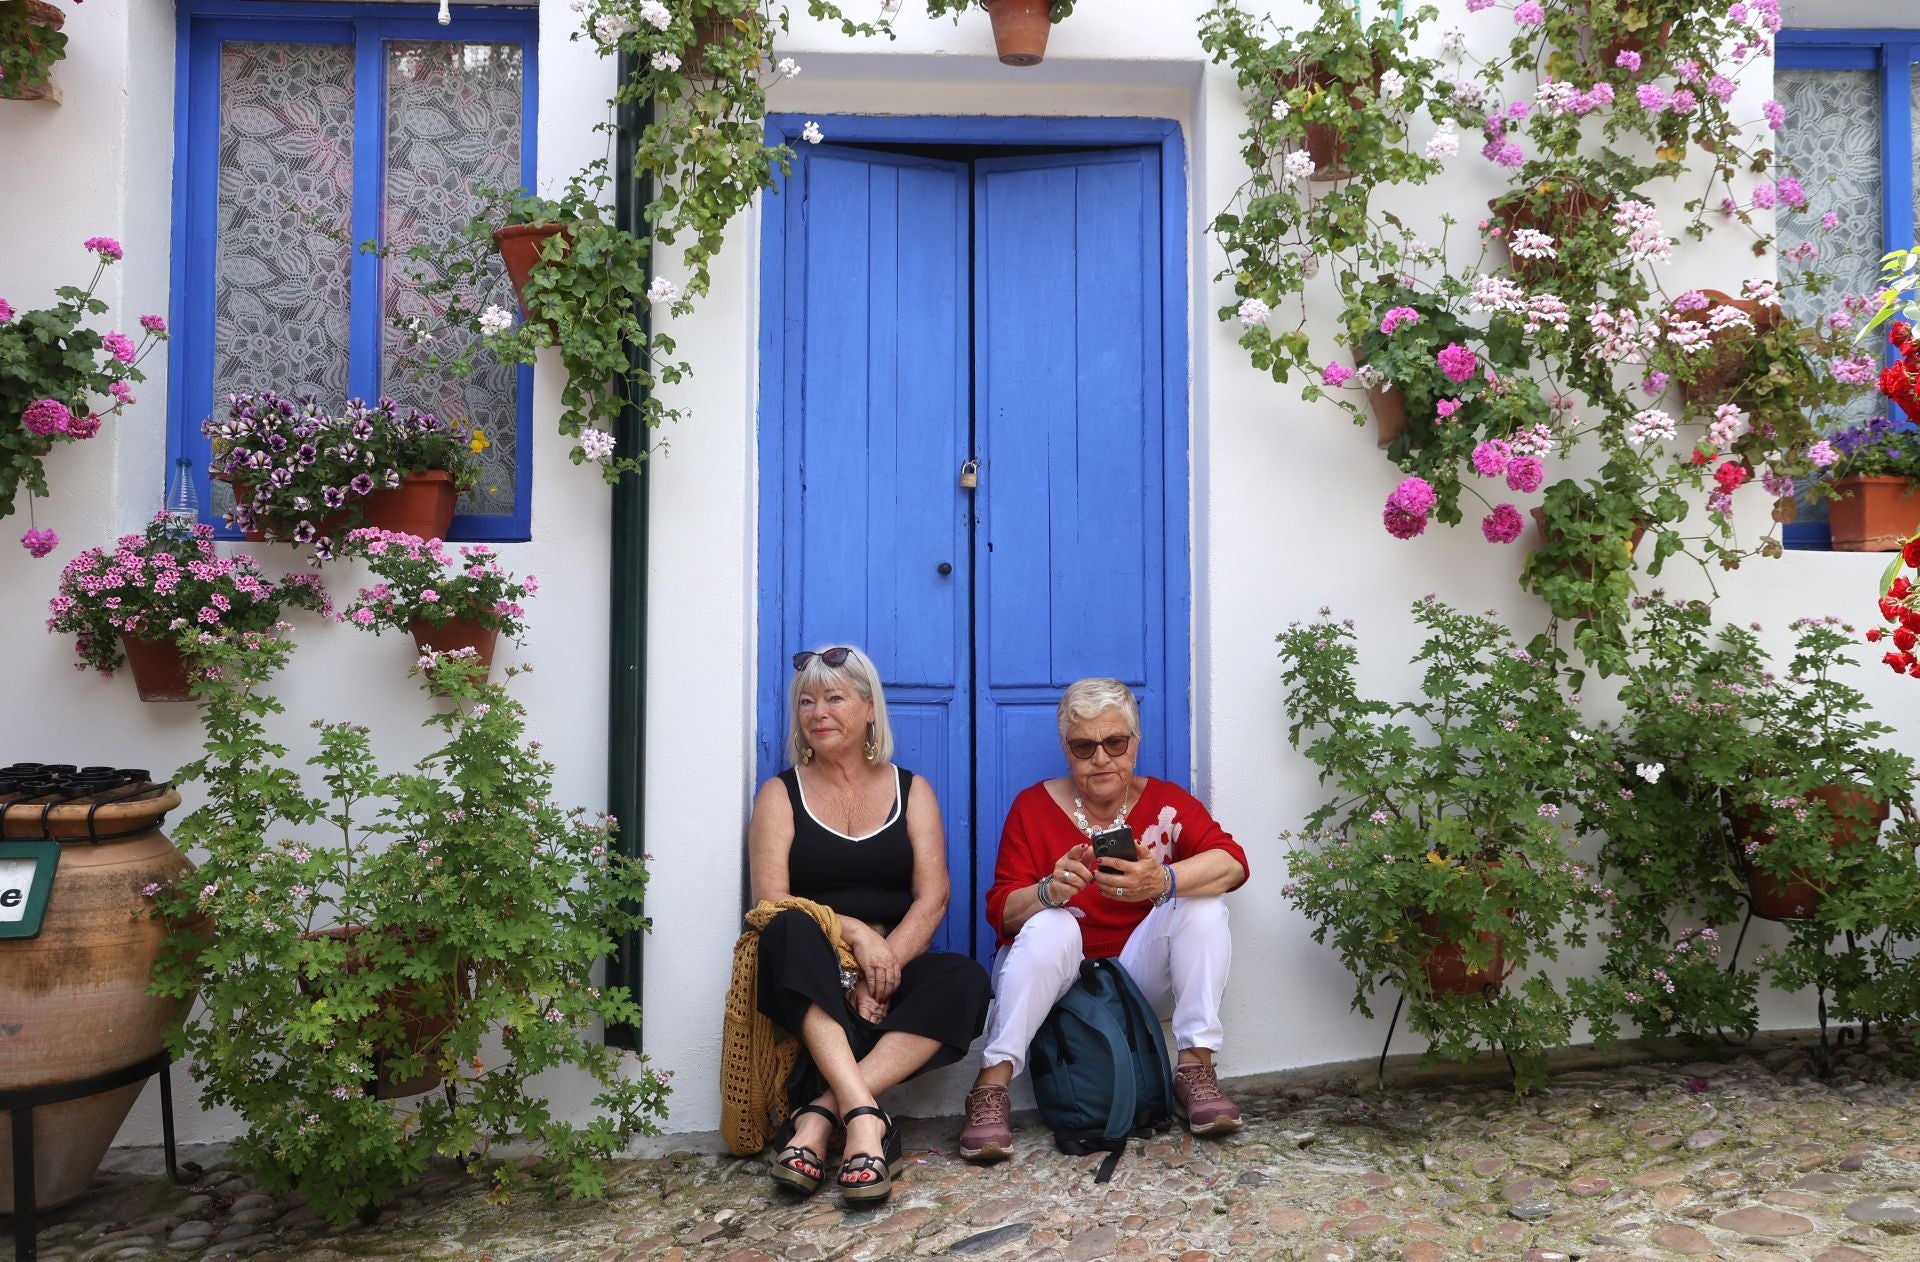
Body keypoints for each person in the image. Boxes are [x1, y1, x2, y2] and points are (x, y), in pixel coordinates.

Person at [958, 677, 1250, 1161]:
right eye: (1084, 745)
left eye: (1115, 742)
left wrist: (1162, 881)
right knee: (1055, 923)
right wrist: (1048, 892)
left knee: (1202, 902)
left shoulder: (1166, 802)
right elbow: (1002, 914)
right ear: (1066, 749)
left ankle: (1195, 1067)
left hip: (1133, 980)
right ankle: (992, 1086)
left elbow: (1233, 862)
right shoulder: (1033, 807)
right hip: (1059, 980)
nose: (1101, 758)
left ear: (1135, 743)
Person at [747, 645, 991, 1204]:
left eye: (834, 698)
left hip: (892, 967)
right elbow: (771, 901)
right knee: (787, 928)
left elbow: (933, 897)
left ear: (869, 708)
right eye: (806, 702)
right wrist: (856, 940)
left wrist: (881, 970)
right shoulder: (780, 795)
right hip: (811, 973)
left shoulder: (913, 791)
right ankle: (865, 1121)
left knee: (965, 979)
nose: (817, 712)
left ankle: (820, 1116)